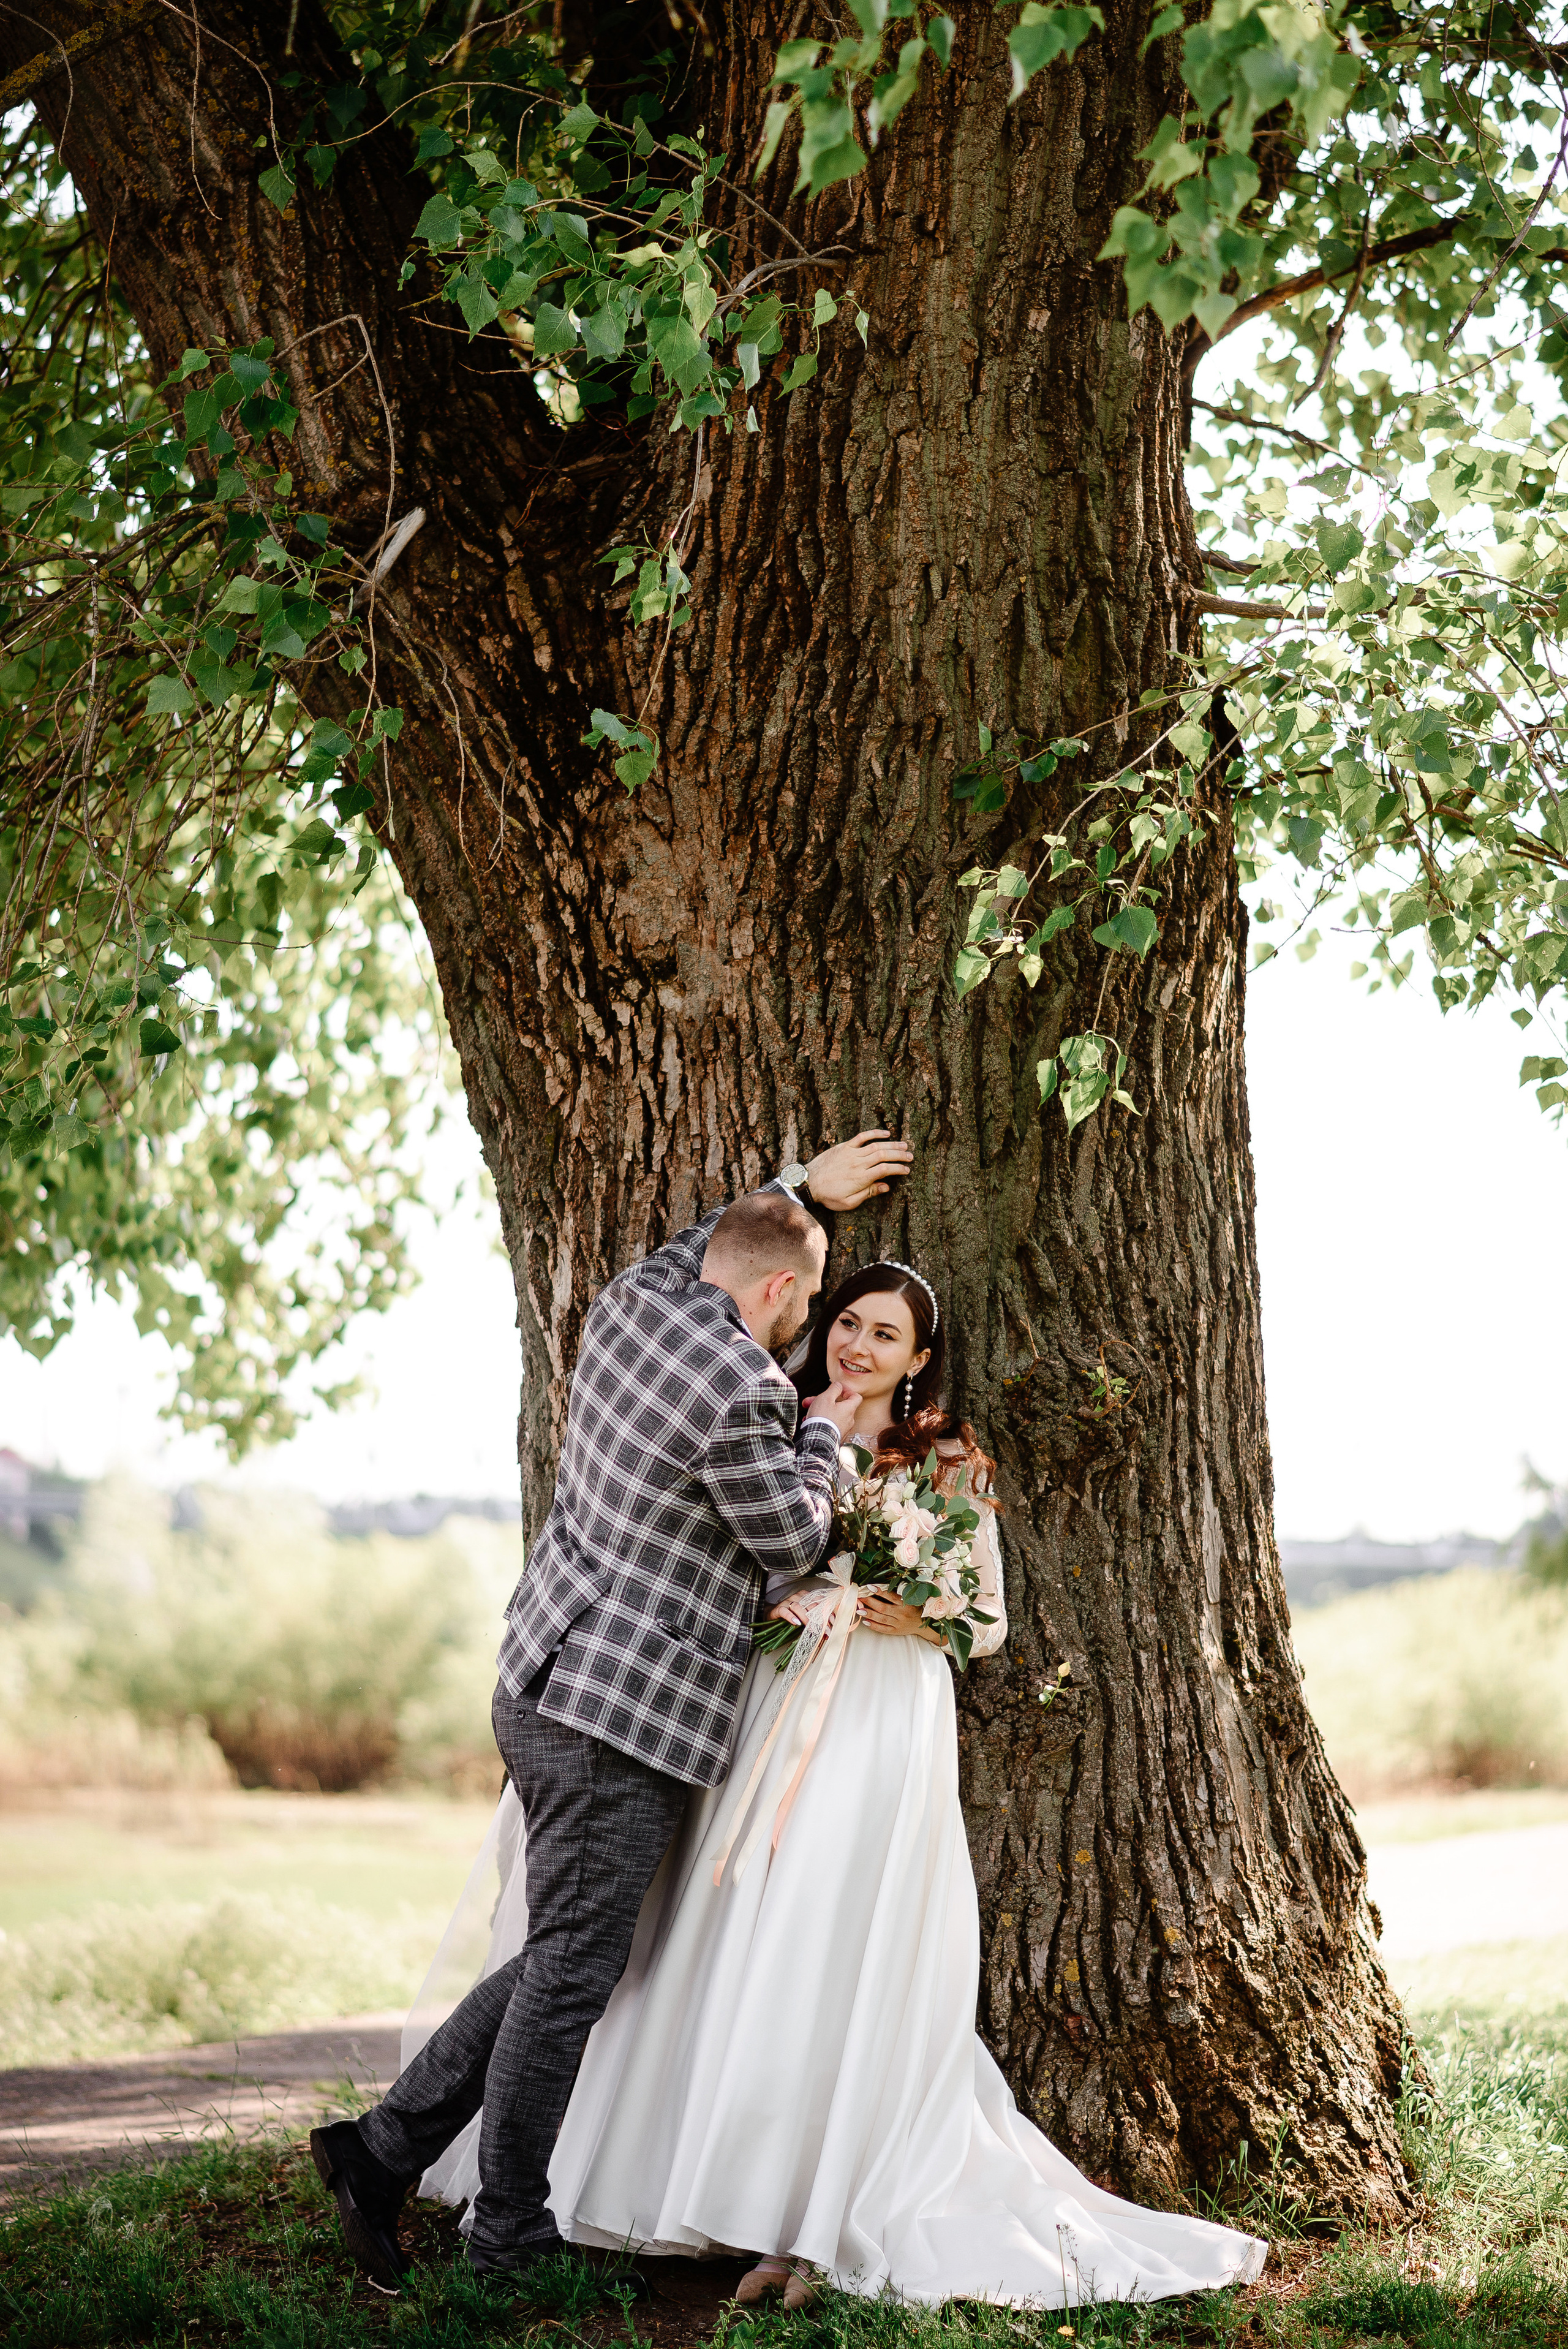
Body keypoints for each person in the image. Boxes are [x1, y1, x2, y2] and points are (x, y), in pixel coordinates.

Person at [405, 1262, 1268, 2308]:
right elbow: (728, 1559)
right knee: (714, 1930)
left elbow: (984, 1618)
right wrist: (792, 1599)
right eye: (847, 1321)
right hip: (767, 1700)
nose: (858, 1345)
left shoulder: (944, 1454)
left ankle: (801, 2208)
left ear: (918, 1360)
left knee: (828, 1929)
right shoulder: (775, 1414)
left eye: (886, 1335)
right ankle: (660, 2181)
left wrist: (915, 1609)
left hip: (881, 1714)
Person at [309, 1131, 914, 2291]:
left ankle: (379, 2152)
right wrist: (829, 1427)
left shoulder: (634, 1303)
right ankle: (508, 2238)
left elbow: (708, 1245)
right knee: (576, 1968)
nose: (808, 1336)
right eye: (805, 1309)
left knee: (561, 1954)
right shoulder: (747, 1389)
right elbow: (792, 1536)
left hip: (543, 1673)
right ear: (785, 1293)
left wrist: (796, 1192)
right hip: (619, 1715)